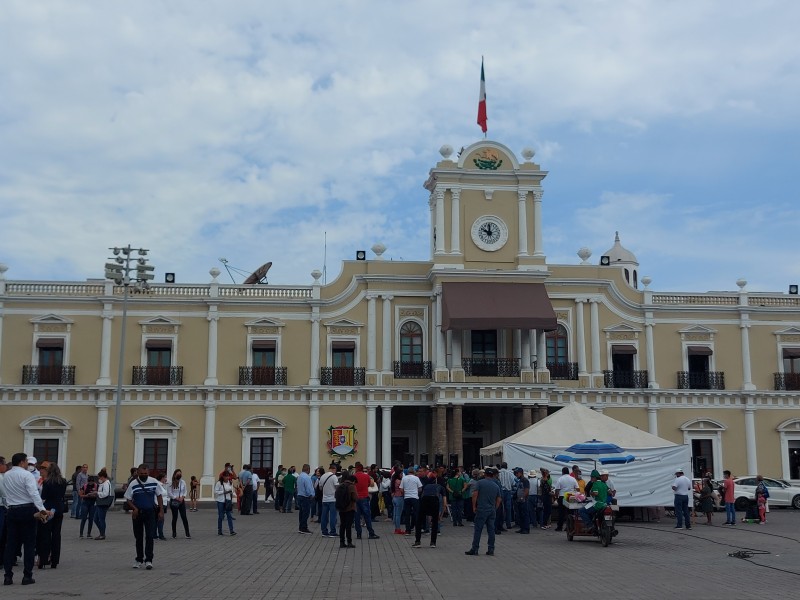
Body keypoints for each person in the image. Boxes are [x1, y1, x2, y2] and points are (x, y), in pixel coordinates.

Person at [3, 453, 49, 586]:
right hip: (27, 510)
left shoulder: (7, 475)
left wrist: (9, 506)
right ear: (22, 462)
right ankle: (27, 576)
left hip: (12, 510)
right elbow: (33, 493)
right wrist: (42, 509)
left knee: (10, 544)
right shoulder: (26, 475)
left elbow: (6, 494)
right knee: (29, 544)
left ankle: (8, 576)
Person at [123, 463, 165, 570]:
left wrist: (161, 511)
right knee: (138, 537)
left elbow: (159, 495)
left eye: (145, 473)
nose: (143, 475)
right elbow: (128, 498)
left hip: (150, 513)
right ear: (137, 472)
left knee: (150, 536)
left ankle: (149, 560)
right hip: (138, 513)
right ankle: (139, 559)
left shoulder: (153, 482)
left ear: (148, 472)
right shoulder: (133, 483)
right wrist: (134, 508)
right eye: (141, 473)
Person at [36, 462, 67, 570]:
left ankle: (43, 560)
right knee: (56, 535)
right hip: (59, 509)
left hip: (47, 509)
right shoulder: (63, 481)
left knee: (44, 534)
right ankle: (55, 561)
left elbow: (44, 496)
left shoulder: (47, 482)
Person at [465, 467, 501, 556]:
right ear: (493, 475)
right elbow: (499, 499)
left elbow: (475, 495)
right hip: (491, 510)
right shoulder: (496, 485)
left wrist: (474, 506)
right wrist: (495, 508)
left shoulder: (480, 483)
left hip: (482, 509)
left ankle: (475, 548)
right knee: (491, 530)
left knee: (478, 529)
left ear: (485, 474)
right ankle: (491, 549)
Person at [412, 472, 445, 548]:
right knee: (435, 522)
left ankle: (417, 541)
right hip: (434, 500)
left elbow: (421, 494)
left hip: (424, 500)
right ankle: (433, 542)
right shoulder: (440, 487)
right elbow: (444, 501)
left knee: (419, 521)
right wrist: (441, 514)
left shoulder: (426, 486)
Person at [352, 462, 379, 540]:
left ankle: (359, 534)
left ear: (356, 469)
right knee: (367, 516)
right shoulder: (366, 476)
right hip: (364, 497)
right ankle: (371, 533)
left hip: (356, 498)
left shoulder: (353, 476)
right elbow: (371, 484)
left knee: (357, 517)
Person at [318, 463, 339, 538]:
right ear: (334, 469)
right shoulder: (334, 477)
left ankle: (324, 531)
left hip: (325, 499)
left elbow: (320, 488)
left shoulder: (323, 476)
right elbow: (337, 487)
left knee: (324, 516)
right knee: (333, 516)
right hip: (332, 499)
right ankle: (332, 532)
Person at [337, 474, 358, 549]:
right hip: (350, 508)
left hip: (341, 508)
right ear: (354, 481)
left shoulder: (340, 485)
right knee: (348, 526)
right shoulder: (352, 486)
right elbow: (355, 497)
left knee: (342, 525)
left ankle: (342, 542)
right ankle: (349, 542)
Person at [168, 469, 191, 539]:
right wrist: (176, 497)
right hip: (174, 502)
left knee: (184, 517)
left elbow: (185, 491)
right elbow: (169, 493)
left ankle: (187, 533)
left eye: (180, 474)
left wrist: (183, 497)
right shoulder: (171, 483)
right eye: (178, 474)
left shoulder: (183, 482)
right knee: (175, 517)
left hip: (181, 501)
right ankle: (174, 533)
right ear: (175, 475)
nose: (179, 475)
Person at [554, 466, 578, 532]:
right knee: (570, 512)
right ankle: (570, 527)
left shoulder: (560, 479)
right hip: (571, 496)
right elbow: (577, 489)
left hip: (562, 496)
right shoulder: (573, 479)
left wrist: (556, 497)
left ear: (562, 472)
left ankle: (559, 527)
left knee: (561, 512)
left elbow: (557, 490)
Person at [401, 466, 422, 535]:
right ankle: (417, 528)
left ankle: (408, 530)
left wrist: (405, 493)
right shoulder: (416, 478)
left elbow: (401, 489)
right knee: (416, 514)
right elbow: (420, 488)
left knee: (407, 514)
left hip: (407, 497)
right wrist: (416, 492)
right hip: (415, 497)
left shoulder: (404, 478)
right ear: (414, 471)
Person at [93, 468, 112, 540]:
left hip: (103, 503)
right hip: (99, 503)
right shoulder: (103, 483)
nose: (98, 479)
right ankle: (101, 532)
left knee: (101, 519)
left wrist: (97, 493)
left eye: (99, 477)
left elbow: (105, 494)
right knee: (96, 519)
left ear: (102, 477)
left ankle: (102, 534)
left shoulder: (106, 483)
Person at [296, 464, 314, 534]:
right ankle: (304, 527)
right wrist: (311, 495)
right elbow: (308, 488)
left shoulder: (300, 476)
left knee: (301, 513)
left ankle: (301, 527)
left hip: (300, 495)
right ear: (308, 469)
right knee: (306, 513)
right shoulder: (307, 477)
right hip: (305, 497)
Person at [79, 474, 98, 538]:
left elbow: (98, 494)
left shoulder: (96, 486)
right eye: (89, 481)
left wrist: (94, 495)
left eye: (92, 481)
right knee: (84, 518)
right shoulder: (84, 486)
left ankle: (89, 533)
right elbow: (81, 495)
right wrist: (86, 495)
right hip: (85, 502)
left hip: (92, 503)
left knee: (91, 519)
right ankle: (81, 533)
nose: (90, 482)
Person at [512, 468, 530, 533]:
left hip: (523, 500)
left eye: (517, 473)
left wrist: (522, 498)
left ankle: (526, 528)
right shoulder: (520, 480)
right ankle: (522, 528)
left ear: (520, 473)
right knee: (521, 514)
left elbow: (526, 490)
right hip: (519, 500)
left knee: (524, 514)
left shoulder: (525, 480)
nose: (516, 475)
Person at [390, 466, 405, 534]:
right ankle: (398, 529)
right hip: (399, 498)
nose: (402, 475)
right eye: (401, 474)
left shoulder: (393, 481)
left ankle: (396, 528)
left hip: (394, 497)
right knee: (398, 515)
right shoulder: (400, 482)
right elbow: (402, 490)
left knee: (396, 514)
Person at [155, 474, 169, 540]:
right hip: (159, 505)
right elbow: (159, 495)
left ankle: (155, 534)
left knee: (158, 520)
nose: (166, 479)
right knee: (160, 520)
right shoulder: (159, 485)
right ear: (162, 478)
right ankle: (160, 535)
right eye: (165, 477)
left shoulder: (163, 485)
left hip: (164, 504)